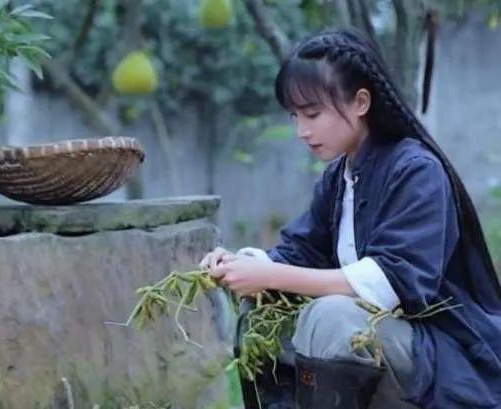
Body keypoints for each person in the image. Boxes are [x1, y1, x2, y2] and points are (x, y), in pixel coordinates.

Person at [199, 29, 501, 409]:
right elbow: (301, 250)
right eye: (295, 116)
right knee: (263, 312)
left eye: (313, 114)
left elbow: (389, 284)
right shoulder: (339, 177)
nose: (302, 131)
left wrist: (271, 275)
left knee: (333, 317)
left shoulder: (416, 171)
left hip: (439, 353)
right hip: (390, 344)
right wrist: (241, 265)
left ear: (361, 102)